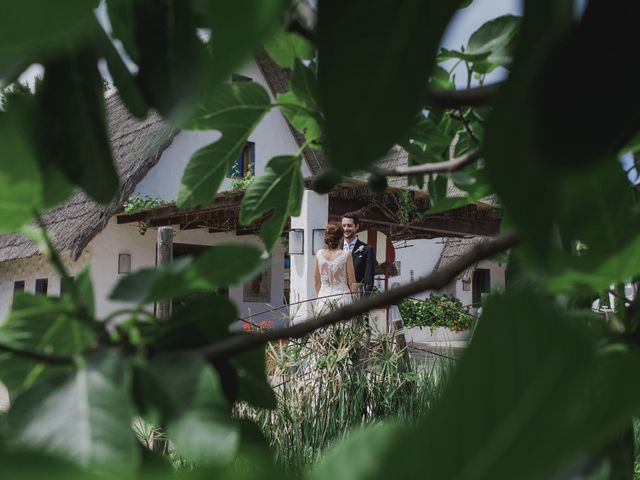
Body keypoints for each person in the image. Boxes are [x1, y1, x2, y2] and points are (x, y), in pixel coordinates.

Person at [313, 222, 356, 314]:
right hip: (342, 299)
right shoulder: (346, 255)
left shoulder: (319, 254)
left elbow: (316, 281)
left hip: (323, 300)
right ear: (341, 237)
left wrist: (321, 297)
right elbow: (352, 282)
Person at [340, 212, 376, 294]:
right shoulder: (336, 248)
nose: (346, 229)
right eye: (343, 226)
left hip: (356, 296)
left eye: (349, 225)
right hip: (336, 296)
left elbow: (369, 278)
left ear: (356, 226)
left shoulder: (367, 249)